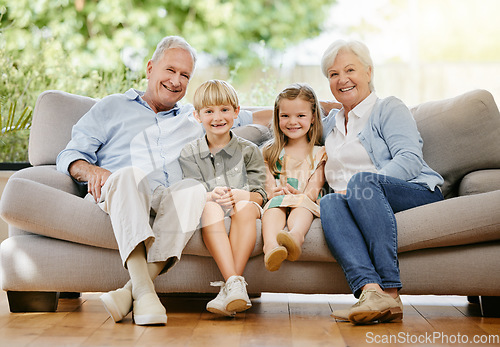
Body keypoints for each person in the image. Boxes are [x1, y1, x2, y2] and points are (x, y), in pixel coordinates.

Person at [56, 36, 269, 326]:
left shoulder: (194, 116)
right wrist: (91, 171)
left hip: (169, 199)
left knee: (193, 189)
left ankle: (132, 293)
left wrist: (325, 105)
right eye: (170, 70)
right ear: (150, 68)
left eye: (185, 75)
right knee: (131, 174)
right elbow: (70, 155)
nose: (176, 80)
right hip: (124, 191)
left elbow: (251, 114)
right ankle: (144, 291)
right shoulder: (112, 107)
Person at [318, 39, 444, 325]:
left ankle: (390, 291)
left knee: (360, 182)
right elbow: (290, 119)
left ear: (369, 72)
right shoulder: (330, 123)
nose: (342, 79)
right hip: (358, 200)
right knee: (329, 201)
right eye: (333, 74)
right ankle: (370, 292)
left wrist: (359, 187)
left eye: (350, 70)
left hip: (412, 192)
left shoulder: (388, 108)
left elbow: (409, 159)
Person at [179, 80, 267, 317]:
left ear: (236, 112)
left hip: (244, 206)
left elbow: (261, 195)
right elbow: (191, 191)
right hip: (211, 209)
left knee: (245, 206)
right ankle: (235, 284)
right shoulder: (190, 152)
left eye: (224, 109)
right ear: (197, 116)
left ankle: (230, 287)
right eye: (209, 111)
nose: (217, 117)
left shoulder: (250, 151)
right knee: (209, 208)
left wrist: (242, 194)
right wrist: (209, 194)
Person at [261, 83, 326, 272]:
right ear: (277, 117)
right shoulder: (270, 151)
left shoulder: (320, 153)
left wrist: (301, 195)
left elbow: (315, 187)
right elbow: (268, 185)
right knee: (274, 207)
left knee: (303, 204)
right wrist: (274, 191)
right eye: (285, 116)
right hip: (278, 199)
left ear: (313, 118)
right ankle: (271, 247)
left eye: (300, 116)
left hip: (304, 199)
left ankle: (296, 237)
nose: (292, 121)